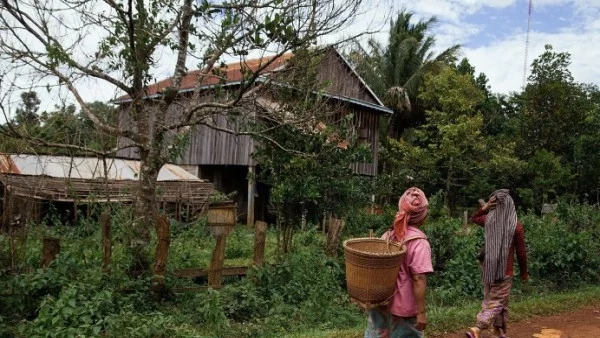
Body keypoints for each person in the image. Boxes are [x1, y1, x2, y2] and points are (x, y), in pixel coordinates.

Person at [365, 187, 433, 338]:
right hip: (404, 310)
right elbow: (418, 278)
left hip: (380, 301)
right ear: (422, 216)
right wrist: (421, 313)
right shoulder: (419, 243)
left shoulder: (387, 236)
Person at [465, 189, 529, 338]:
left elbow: (474, 218)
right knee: (496, 302)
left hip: (488, 269)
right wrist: (524, 272)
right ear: (510, 205)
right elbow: (521, 253)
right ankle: (478, 329)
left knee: (498, 301)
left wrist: (485, 207)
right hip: (504, 273)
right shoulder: (516, 227)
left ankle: (497, 331)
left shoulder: (489, 220)